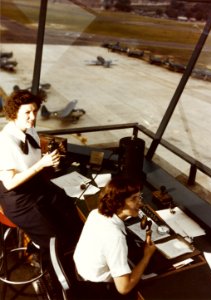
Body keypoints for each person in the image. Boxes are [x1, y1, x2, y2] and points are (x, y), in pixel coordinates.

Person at [0, 89, 83, 266]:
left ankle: (52, 250)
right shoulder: (5, 141)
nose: (32, 117)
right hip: (18, 198)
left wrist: (51, 163)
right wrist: (41, 165)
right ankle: (51, 275)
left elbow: (35, 163)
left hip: (36, 187)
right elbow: (9, 183)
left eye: (35, 111)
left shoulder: (31, 131)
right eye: (27, 112)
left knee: (71, 214)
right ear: (14, 113)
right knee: (56, 239)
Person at [73, 177, 156, 300]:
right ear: (118, 203)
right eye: (134, 199)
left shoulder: (96, 213)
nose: (140, 202)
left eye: (139, 196)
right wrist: (147, 256)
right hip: (97, 291)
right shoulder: (115, 237)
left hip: (81, 274)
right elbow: (124, 288)